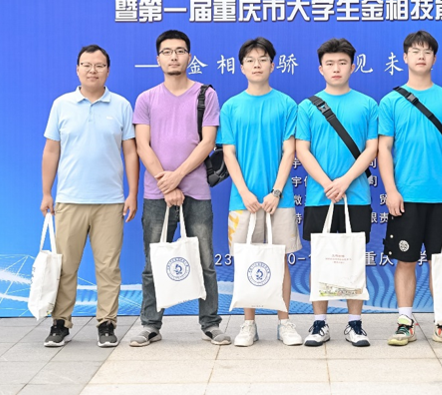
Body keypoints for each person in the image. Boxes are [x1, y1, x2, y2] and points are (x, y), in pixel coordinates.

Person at [130, 30, 230, 347]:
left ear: (189, 56)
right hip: (156, 194)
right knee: (153, 263)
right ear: (157, 58)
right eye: (167, 51)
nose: (173, 56)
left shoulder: (206, 95)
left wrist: (177, 177)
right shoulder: (146, 99)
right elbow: (142, 146)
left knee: (205, 261)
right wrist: (166, 182)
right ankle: (150, 324)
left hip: (196, 191)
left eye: (180, 51)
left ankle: (210, 323)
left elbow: (208, 142)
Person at [40, 45, 138, 348]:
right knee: (66, 267)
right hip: (69, 200)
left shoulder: (121, 105)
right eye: (86, 65)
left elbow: (130, 152)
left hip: (110, 201)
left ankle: (107, 324)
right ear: (77, 69)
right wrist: (46, 192)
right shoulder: (62, 105)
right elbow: (51, 150)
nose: (92, 70)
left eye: (99, 65)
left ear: (108, 70)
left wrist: (132, 193)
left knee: (108, 268)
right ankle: (60, 323)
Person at [378, 30, 442, 347]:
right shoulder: (391, 101)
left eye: (427, 52)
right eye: (415, 51)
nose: (421, 56)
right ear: (404, 57)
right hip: (406, 197)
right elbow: (384, 149)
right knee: (404, 261)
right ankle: (405, 322)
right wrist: (391, 190)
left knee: (440, 263)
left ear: (434, 58)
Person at [219, 37, 303, 347]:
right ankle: (248, 324)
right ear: (241, 67)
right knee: (247, 261)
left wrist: (276, 191)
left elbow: (289, 151)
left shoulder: (286, 104)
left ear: (273, 65)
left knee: (280, 260)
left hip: (278, 199)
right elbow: (228, 153)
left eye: (263, 59)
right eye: (251, 60)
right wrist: (245, 192)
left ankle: (284, 322)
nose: (257, 64)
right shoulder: (231, 107)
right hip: (243, 201)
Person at [296, 38, 378, 347]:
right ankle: (319, 323)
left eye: (342, 63)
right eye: (329, 63)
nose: (336, 68)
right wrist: (327, 183)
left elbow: (371, 148)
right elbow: (302, 150)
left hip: (356, 196)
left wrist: (344, 181)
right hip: (320, 196)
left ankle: (355, 324)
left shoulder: (368, 104)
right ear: (321, 69)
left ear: (352, 67)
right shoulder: (307, 107)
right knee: (321, 259)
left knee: (354, 258)